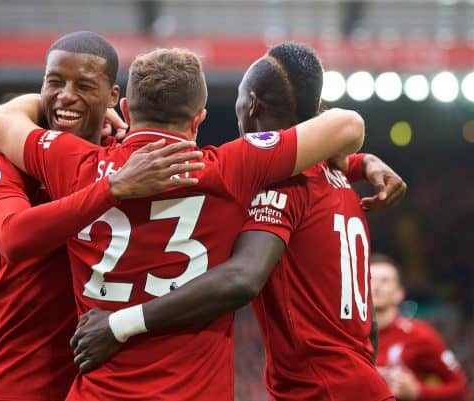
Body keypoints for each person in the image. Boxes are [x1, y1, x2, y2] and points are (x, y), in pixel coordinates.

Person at [0, 47, 365, 401]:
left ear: (126, 110)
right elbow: (348, 126)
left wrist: (49, 98)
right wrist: (352, 160)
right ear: (198, 119)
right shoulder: (230, 168)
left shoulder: (74, 163)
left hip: (99, 391)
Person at [72, 43, 403, 401]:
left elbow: (242, 278)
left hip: (320, 389)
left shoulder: (279, 184)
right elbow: (368, 326)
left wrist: (119, 325)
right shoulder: (340, 180)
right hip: (357, 382)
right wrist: (361, 161)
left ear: (252, 105)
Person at [0, 32, 204, 401]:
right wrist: (111, 189)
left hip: (99, 385)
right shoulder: (0, 165)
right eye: (54, 83)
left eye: (84, 85)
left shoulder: (127, 160)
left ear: (114, 98)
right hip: (14, 381)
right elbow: (14, 238)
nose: (65, 96)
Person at [371, 253, 469, 401]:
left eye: (385, 281)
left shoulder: (420, 334)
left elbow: (460, 389)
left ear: (399, 293)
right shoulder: (348, 335)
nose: (376, 286)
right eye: (370, 280)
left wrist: (418, 392)